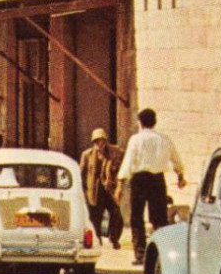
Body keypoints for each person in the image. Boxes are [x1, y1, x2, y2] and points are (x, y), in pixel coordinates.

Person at [116, 108, 186, 265]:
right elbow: (176, 158)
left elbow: (128, 162)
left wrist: (120, 184)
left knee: (137, 218)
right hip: (157, 180)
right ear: (154, 122)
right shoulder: (164, 139)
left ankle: (140, 254)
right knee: (159, 218)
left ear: (140, 123)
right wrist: (180, 176)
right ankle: (161, 254)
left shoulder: (136, 139)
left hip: (139, 180)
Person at [79, 127, 124, 251]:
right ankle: (97, 239)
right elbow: (81, 172)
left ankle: (114, 238)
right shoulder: (87, 155)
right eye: (97, 141)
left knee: (116, 213)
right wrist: (82, 189)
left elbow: (122, 160)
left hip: (109, 188)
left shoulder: (114, 151)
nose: (100, 144)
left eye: (102, 141)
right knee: (95, 216)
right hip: (94, 188)